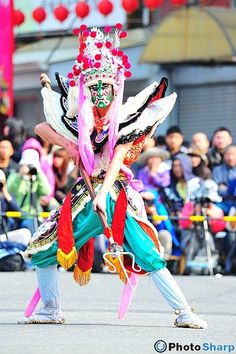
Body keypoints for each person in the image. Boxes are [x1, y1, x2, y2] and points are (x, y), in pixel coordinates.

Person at [18, 25, 207, 329]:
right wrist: (69, 144)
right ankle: (51, 309)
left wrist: (103, 196)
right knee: (44, 247)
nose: (101, 93)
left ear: (116, 89)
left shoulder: (127, 121)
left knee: (147, 251)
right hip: (84, 194)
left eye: (106, 87)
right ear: (88, 91)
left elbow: (117, 161)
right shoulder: (79, 118)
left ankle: (183, 311)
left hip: (115, 193)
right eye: (95, 88)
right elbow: (41, 128)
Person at [7, 148, 51, 233]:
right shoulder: (15, 175)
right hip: (16, 214)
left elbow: (46, 191)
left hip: (32, 216)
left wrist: (38, 173)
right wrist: (20, 175)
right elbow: (9, 189)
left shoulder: (37, 178)